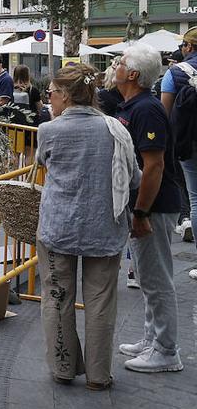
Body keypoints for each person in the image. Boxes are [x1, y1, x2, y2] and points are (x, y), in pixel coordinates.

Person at [36, 64, 140, 390]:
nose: (48, 100)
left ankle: (63, 368)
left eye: (51, 93)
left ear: (65, 96)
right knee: (100, 301)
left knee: (56, 297)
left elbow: (42, 163)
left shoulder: (49, 130)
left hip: (58, 227)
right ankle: (98, 375)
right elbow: (134, 177)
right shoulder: (114, 128)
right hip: (104, 226)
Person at [114, 43, 186, 373]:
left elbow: (154, 165)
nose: (115, 65)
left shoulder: (146, 109)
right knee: (146, 276)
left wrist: (141, 212)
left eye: (121, 62)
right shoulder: (134, 106)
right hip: (147, 206)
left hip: (154, 207)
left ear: (133, 74)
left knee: (156, 280)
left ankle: (166, 350)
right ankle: (151, 338)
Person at [159, 28, 197, 261]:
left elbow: (164, 113)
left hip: (188, 143)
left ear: (189, 47)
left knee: (195, 198)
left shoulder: (175, 73)